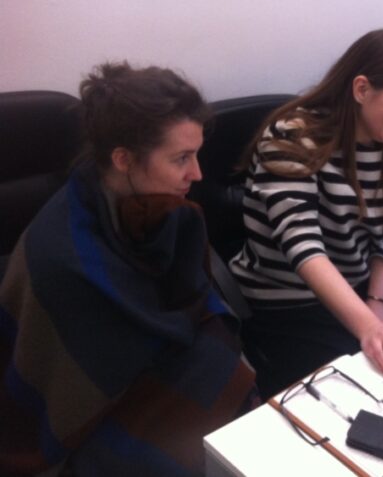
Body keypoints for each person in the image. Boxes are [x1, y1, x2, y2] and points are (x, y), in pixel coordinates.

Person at [0, 62, 259, 477]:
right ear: (123, 159)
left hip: (156, 358)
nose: (197, 173)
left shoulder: (162, 208)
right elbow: (67, 386)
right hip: (97, 404)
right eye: (181, 159)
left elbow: (190, 299)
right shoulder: (61, 258)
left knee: (243, 410)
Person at [229, 29, 383, 397]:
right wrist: (367, 326)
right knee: (357, 393)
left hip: (357, 284)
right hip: (289, 299)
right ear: (361, 89)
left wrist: (376, 302)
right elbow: (303, 246)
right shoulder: (293, 136)